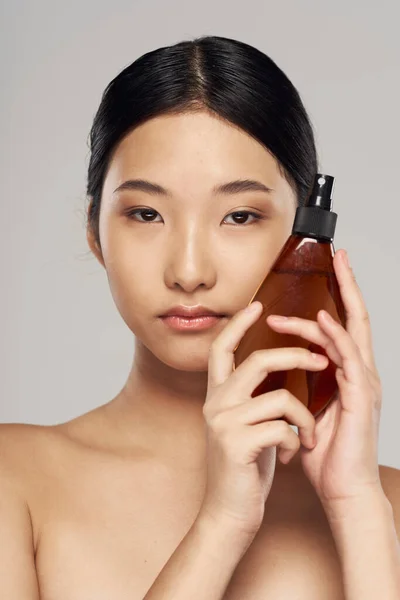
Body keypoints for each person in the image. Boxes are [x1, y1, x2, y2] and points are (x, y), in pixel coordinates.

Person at [1, 35, 399, 600]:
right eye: (146, 213)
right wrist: (221, 526)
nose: (189, 271)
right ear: (95, 231)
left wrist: (357, 510)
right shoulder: (14, 482)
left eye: (239, 215)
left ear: (304, 237)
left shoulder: (381, 508)